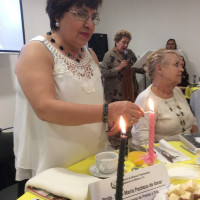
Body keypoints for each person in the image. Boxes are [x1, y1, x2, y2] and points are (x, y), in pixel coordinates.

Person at [14, 0, 144, 197]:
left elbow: (92, 98)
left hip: (92, 159)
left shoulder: (90, 54)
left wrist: (112, 117)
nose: (89, 24)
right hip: (53, 167)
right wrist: (109, 111)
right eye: (82, 14)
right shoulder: (36, 50)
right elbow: (45, 108)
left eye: (93, 17)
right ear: (57, 15)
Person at [131, 49, 198, 145]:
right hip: (165, 156)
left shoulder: (177, 91)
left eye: (181, 65)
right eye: (176, 65)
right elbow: (142, 142)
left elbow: (192, 123)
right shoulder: (145, 99)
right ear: (159, 69)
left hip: (190, 152)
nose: (181, 69)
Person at [100, 29, 145, 148]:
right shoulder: (109, 55)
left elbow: (136, 67)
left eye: (127, 43)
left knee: (129, 116)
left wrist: (146, 66)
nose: (125, 45)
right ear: (116, 41)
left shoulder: (129, 53)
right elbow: (103, 72)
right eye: (123, 42)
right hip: (114, 94)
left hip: (130, 91)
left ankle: (127, 140)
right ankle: (116, 143)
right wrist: (119, 68)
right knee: (116, 119)